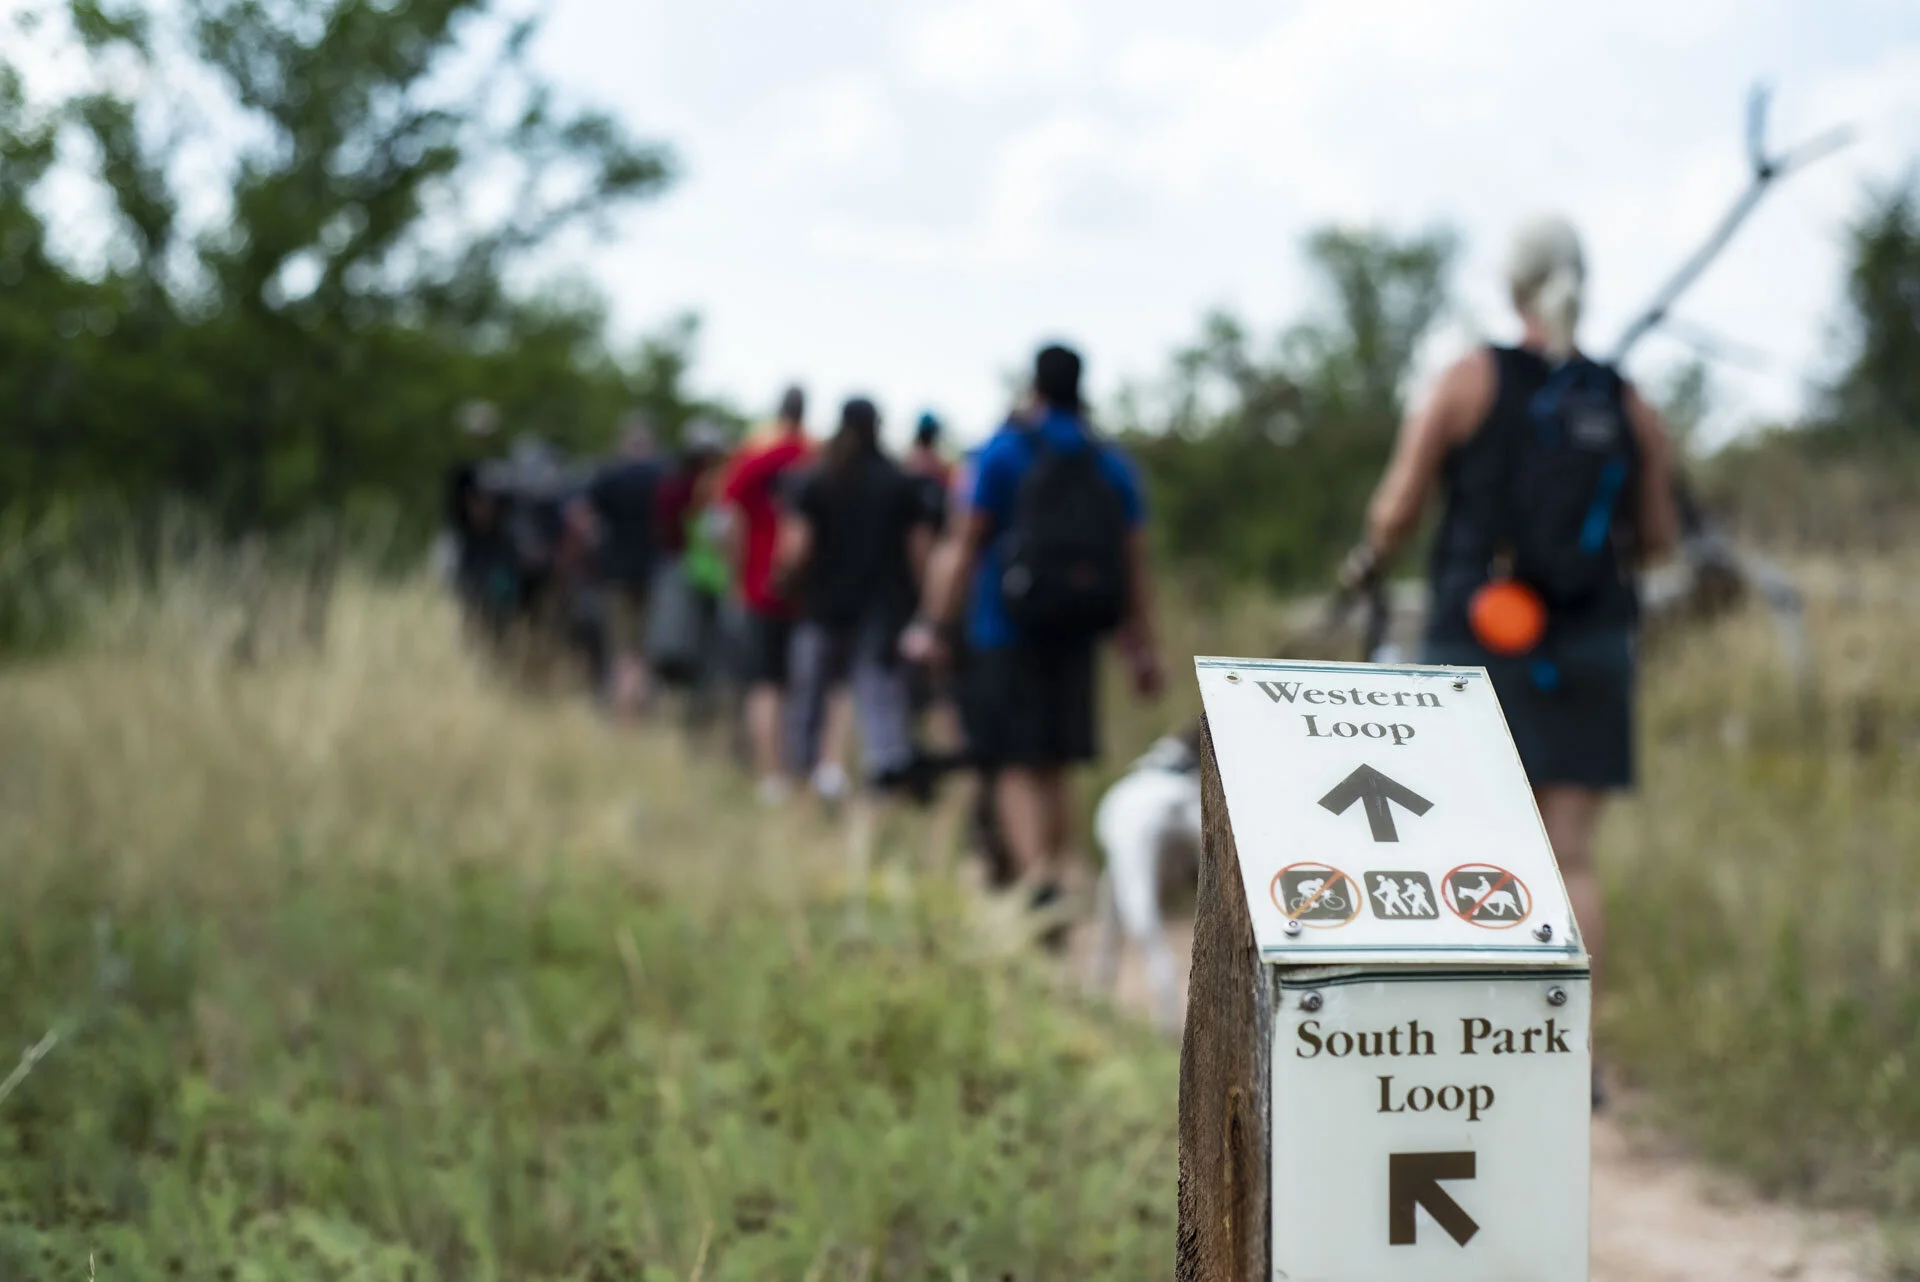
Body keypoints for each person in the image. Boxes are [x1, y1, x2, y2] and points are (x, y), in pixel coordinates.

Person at [1343, 213, 1680, 1109]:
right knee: (1572, 857)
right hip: (1594, 641)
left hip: (1479, 637)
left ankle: (1470, 1046)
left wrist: (1369, 560)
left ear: (1513, 285)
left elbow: (1397, 508)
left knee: (1468, 848)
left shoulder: (1468, 378)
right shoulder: (1626, 400)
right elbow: (1658, 537)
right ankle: (1573, 1055)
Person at [902, 344, 1164, 931]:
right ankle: (1059, 875)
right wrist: (1141, 647)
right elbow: (1134, 566)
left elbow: (963, 544)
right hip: (1079, 628)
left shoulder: (1003, 452)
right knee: (1057, 758)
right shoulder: (1111, 462)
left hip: (1005, 627)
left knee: (1015, 759)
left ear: (1034, 387)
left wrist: (934, 624)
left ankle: (1037, 883)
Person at [777, 397, 937, 806]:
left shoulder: (819, 479)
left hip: (825, 606)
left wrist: (786, 583)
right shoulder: (897, 482)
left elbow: (798, 547)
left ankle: (804, 779)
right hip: (882, 610)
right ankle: (885, 782)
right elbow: (919, 551)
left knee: (810, 698)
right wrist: (924, 607)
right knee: (880, 701)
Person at [719, 386, 815, 804]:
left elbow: (725, 520)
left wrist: (735, 573)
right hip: (807, 593)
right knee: (801, 685)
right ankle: (800, 769)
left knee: (765, 684)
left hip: (759, 588)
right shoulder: (814, 457)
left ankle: (771, 774)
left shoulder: (755, 457)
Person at [579, 416, 667, 720]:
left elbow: (583, 518)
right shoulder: (662, 476)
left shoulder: (609, 477)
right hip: (653, 572)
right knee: (644, 646)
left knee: (621, 647)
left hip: (615, 573)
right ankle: (639, 709)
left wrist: (594, 546)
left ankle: (624, 712)